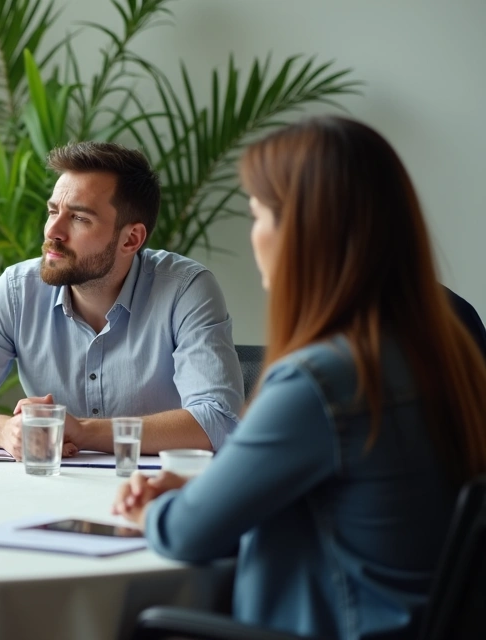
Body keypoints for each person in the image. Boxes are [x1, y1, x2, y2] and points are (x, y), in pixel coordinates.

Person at [113, 116, 486, 639]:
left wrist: (159, 507)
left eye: (258, 215)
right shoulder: (445, 347)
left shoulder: (323, 380)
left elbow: (186, 534)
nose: (255, 235)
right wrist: (207, 490)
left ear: (304, 231)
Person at [0, 141, 243, 458]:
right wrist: (5, 431)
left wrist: (82, 431)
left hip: (153, 496)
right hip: (51, 494)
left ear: (131, 239)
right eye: (53, 211)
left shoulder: (185, 289)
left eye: (80, 218)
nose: (53, 230)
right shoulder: (17, 290)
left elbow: (217, 422)